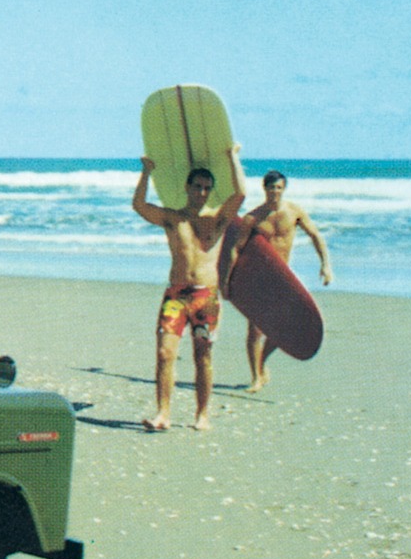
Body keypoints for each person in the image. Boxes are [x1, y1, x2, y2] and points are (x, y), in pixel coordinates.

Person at [131, 145, 247, 431]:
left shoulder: (217, 220)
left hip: (206, 298)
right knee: (164, 354)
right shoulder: (173, 218)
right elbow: (139, 205)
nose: (202, 192)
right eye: (197, 186)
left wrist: (233, 157)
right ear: (187, 187)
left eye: (207, 188)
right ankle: (163, 414)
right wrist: (146, 172)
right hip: (176, 296)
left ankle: (202, 414)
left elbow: (241, 194)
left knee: (203, 357)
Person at [224, 170, 334, 392]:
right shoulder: (253, 218)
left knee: (283, 328)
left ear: (284, 189)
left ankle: (262, 362)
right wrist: (227, 281)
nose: (275, 192)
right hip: (259, 278)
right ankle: (256, 377)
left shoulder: (294, 212)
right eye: (271, 188)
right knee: (255, 330)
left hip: (283, 278)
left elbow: (315, 235)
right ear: (264, 189)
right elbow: (237, 248)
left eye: (279, 188)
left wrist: (325, 265)